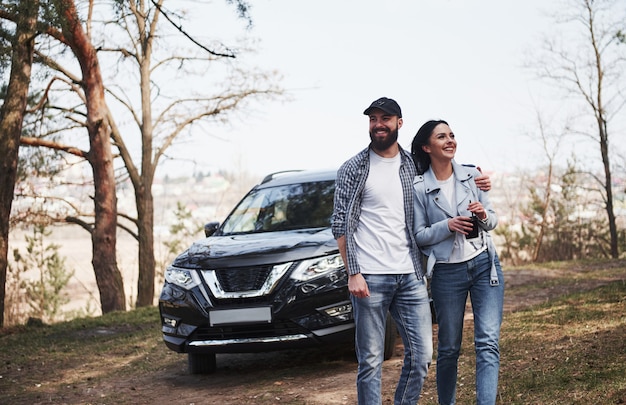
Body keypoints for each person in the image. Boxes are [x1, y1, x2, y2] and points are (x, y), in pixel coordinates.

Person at [332, 97, 433, 405]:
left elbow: (447, 174)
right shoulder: (353, 167)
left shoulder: (414, 165)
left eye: (385, 118)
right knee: (371, 361)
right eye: (373, 118)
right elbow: (340, 223)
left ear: (399, 123)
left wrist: (476, 176)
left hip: (410, 274)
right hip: (370, 277)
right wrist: (353, 272)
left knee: (422, 356)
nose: (378, 124)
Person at [411, 119, 504, 405]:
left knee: (487, 343)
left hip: (484, 266)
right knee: (449, 348)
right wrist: (448, 225)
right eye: (442, 137)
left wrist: (483, 216)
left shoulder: (472, 175)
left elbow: (493, 220)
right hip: (446, 274)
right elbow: (419, 235)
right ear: (427, 147)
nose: (450, 140)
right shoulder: (418, 187)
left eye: (452, 135)